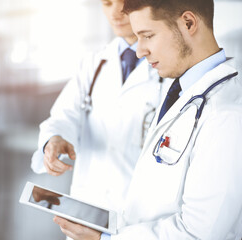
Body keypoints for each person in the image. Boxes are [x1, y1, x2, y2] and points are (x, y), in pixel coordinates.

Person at [53, 0, 242, 239]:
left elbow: (199, 232)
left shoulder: (225, 114)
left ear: (188, 23)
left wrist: (106, 239)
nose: (139, 50)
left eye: (148, 36)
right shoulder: (184, 92)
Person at [31, 0, 171, 224]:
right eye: (106, 3)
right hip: (89, 206)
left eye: (124, 3)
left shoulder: (170, 68)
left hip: (138, 217)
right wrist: (54, 139)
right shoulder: (93, 64)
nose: (115, 13)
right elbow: (65, 115)